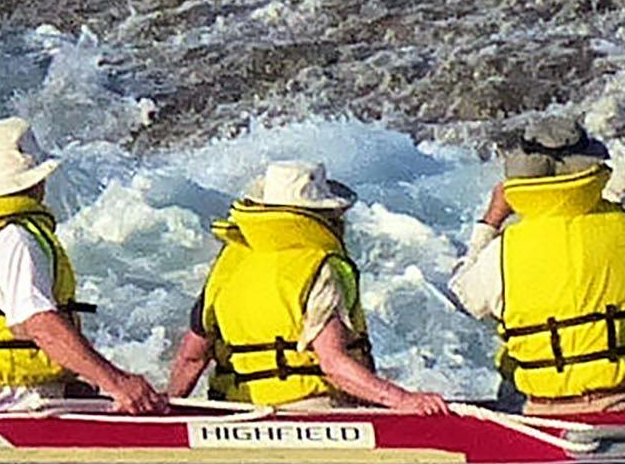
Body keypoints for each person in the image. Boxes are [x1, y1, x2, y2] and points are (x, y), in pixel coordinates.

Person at [443, 113, 625, 408]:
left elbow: (463, 292)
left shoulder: (501, 253)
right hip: (624, 401)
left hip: (542, 410)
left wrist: (491, 220)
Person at [0, 120, 159, 408]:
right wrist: (117, 383)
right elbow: (39, 324)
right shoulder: (13, 236)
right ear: (35, 181)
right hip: (4, 401)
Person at [152, 161, 436, 414]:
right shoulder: (318, 267)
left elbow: (192, 357)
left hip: (235, 409)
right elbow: (333, 365)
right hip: (308, 410)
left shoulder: (231, 260)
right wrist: (402, 400)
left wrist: (167, 410)